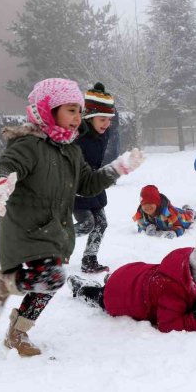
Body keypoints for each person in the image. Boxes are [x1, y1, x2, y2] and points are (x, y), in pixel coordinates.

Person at [0, 78, 145, 357]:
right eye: (71, 110)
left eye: (80, 111)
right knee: (52, 277)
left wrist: (119, 168)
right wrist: (1, 183)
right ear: (49, 109)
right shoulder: (28, 145)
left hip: (54, 230)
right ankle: (4, 287)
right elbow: (5, 166)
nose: (77, 117)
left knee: (50, 282)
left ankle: (17, 332)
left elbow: (87, 184)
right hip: (27, 228)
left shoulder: (70, 149)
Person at [67, 227, 196, 333]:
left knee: (117, 283)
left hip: (133, 274)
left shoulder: (195, 266)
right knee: (102, 296)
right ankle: (81, 287)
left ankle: (110, 280)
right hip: (121, 295)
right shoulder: (174, 289)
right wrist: (194, 321)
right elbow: (167, 324)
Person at [73, 83, 117, 274]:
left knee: (101, 223)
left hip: (95, 182)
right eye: (102, 119)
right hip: (77, 186)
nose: (106, 124)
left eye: (109, 119)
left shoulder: (103, 132)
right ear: (89, 117)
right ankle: (54, 242)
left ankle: (89, 259)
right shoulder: (76, 134)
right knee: (86, 224)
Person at [132, 185, 196, 239]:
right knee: (177, 210)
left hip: (179, 217)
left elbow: (180, 227)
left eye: (151, 203)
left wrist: (175, 232)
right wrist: (145, 230)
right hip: (170, 214)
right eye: (144, 204)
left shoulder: (169, 213)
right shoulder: (141, 213)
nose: (147, 207)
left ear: (157, 203)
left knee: (187, 217)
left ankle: (189, 210)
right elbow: (140, 227)